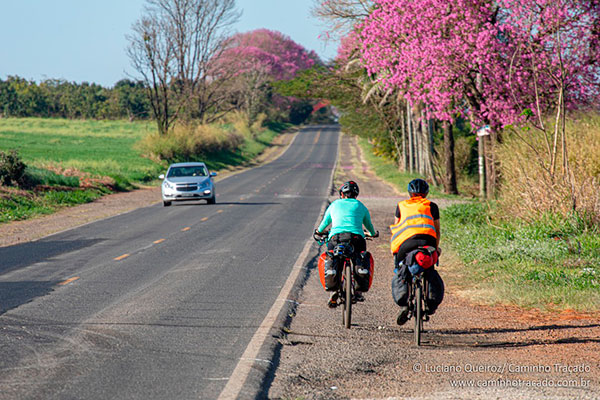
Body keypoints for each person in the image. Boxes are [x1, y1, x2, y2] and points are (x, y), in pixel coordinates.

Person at [315, 181, 378, 307]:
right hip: (357, 238)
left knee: (333, 256)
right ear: (355, 195)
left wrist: (319, 231)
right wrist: (372, 233)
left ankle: (334, 290)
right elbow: (369, 225)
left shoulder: (334, 205)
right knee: (359, 257)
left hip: (336, 238)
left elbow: (324, 222)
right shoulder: (360, 206)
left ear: (342, 194)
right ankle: (358, 290)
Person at [390, 178, 444, 325]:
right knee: (428, 266)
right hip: (428, 243)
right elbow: (437, 230)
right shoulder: (432, 206)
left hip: (406, 244)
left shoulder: (401, 206)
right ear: (426, 193)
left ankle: (405, 304)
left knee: (401, 268)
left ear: (410, 193)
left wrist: (395, 250)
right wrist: (436, 248)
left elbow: (396, 228)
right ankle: (429, 302)